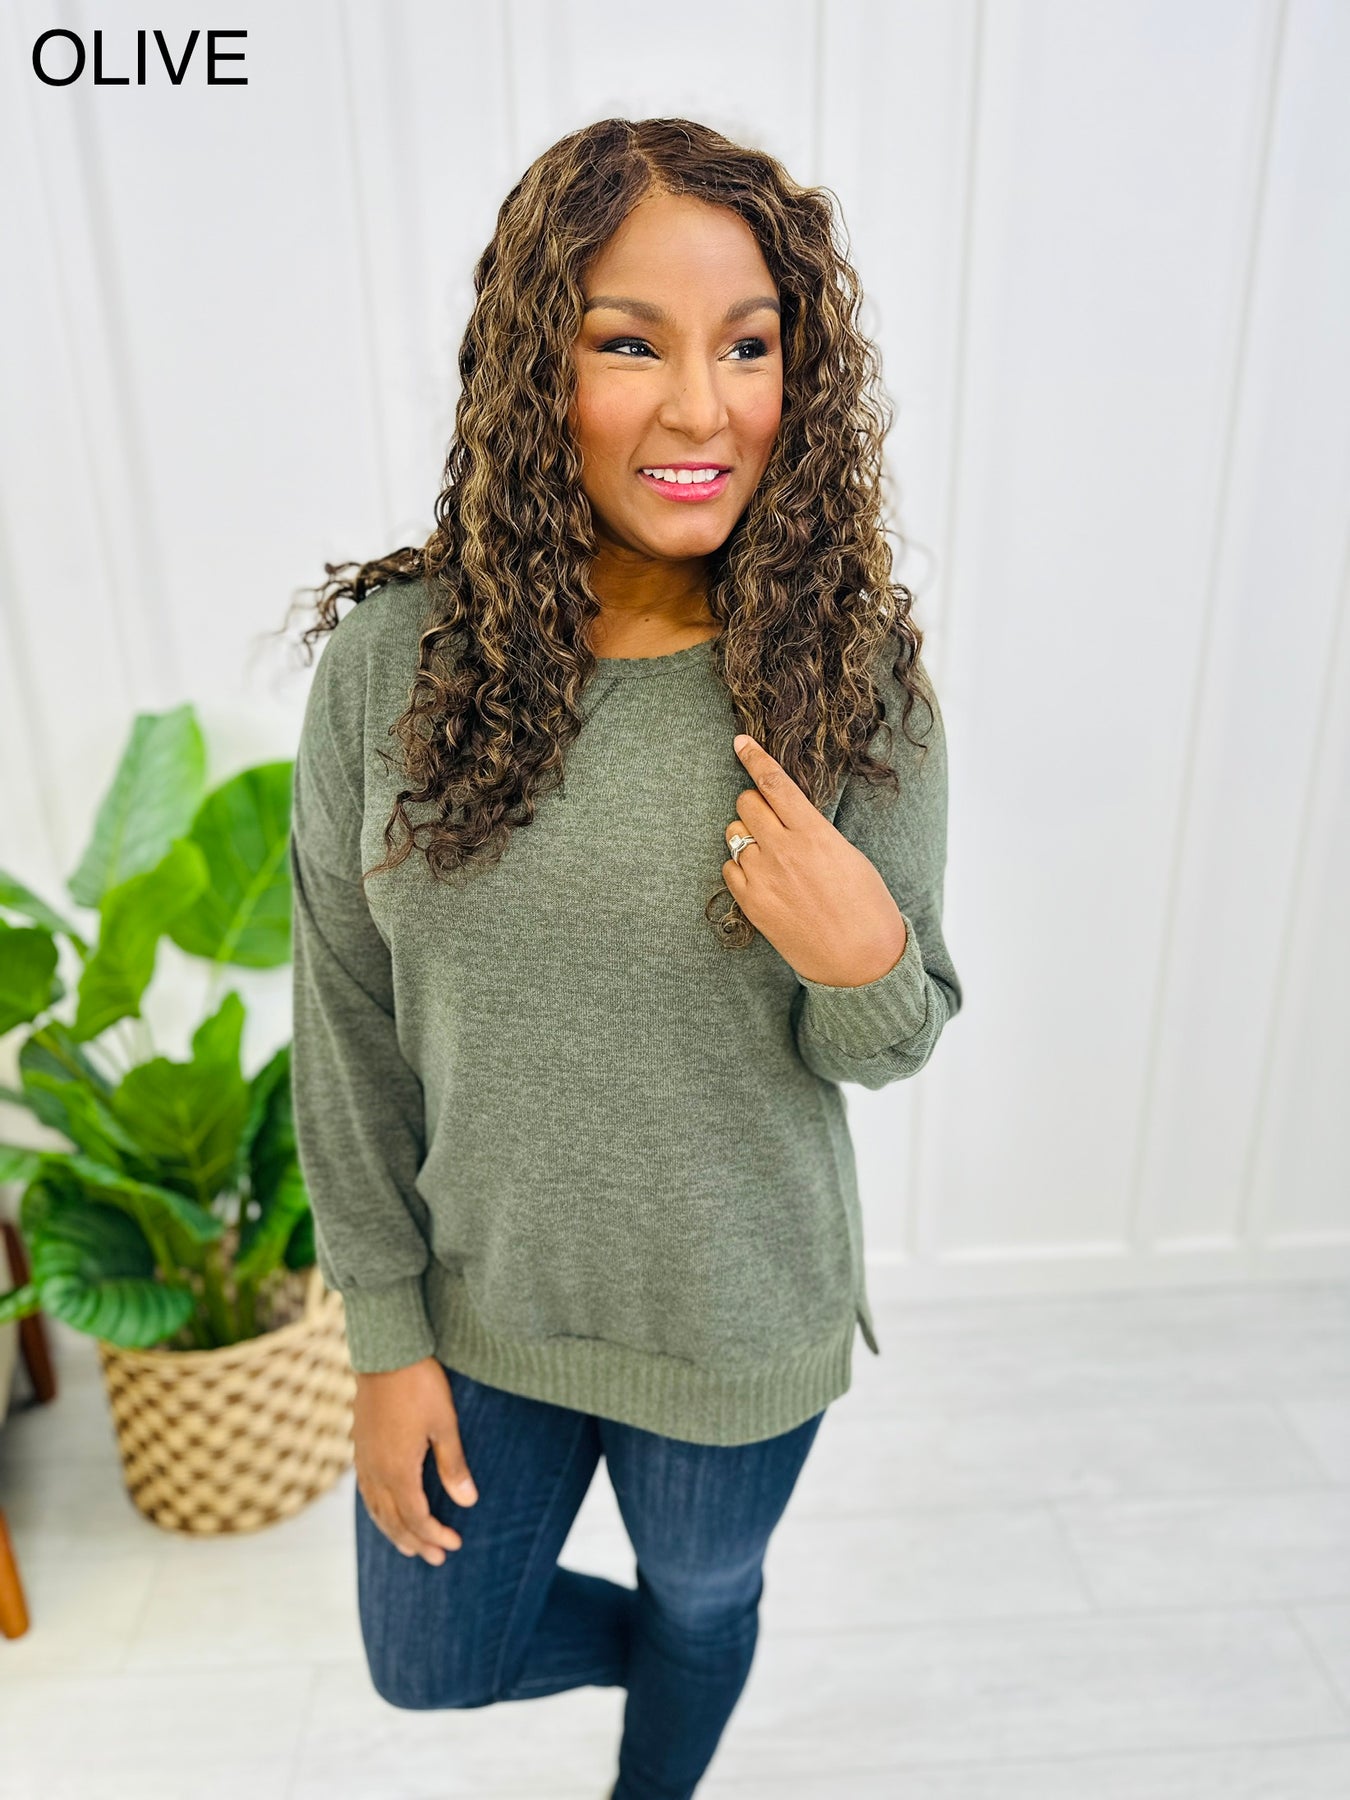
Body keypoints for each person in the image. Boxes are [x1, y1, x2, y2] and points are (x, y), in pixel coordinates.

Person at [287, 115, 963, 1800]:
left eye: (748, 346)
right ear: (537, 367)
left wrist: (863, 954)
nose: (700, 409)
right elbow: (346, 1019)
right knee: (431, 1660)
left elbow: (886, 1040)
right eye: (629, 343)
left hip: (732, 1316)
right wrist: (384, 1333)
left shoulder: (847, 684)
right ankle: (687, 1665)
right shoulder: (391, 668)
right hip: (480, 1306)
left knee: (701, 1594)